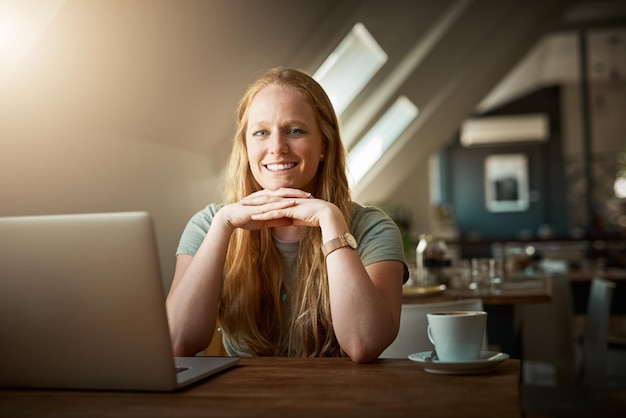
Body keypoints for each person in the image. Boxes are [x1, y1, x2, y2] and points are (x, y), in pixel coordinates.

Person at [166, 67, 409, 363]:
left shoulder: (373, 228)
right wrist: (223, 226)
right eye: (261, 133)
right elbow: (178, 341)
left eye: (295, 130)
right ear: (245, 145)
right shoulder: (208, 224)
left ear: (324, 145)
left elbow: (363, 343)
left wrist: (330, 221)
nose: (277, 148)